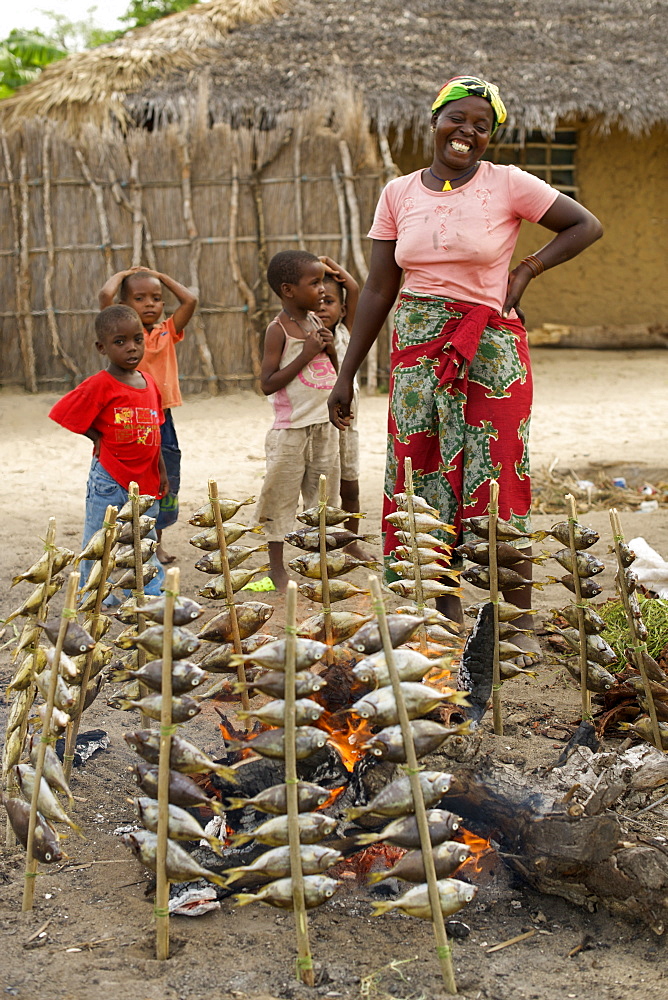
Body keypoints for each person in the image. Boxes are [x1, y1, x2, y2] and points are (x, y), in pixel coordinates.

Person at [328, 75, 603, 658]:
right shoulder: (398, 194)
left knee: (497, 473)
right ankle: (441, 603)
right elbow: (379, 287)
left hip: (491, 347)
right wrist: (347, 373)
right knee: (419, 469)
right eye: (458, 118)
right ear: (434, 121)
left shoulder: (509, 184)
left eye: (482, 126)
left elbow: (585, 225)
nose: (468, 132)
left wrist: (526, 269)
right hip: (416, 345)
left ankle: (514, 613)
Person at [49, 305, 169, 597]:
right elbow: (64, 412)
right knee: (100, 540)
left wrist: (162, 472)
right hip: (109, 479)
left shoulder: (149, 383)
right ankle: (92, 596)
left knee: (143, 539)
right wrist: (96, 436)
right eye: (120, 342)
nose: (131, 348)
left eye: (137, 340)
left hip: (146, 480)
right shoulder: (101, 384)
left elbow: (155, 431)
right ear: (102, 347)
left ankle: (148, 593)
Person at [98, 266, 198, 564]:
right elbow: (105, 295)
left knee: (165, 478)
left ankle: (155, 543)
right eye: (140, 298)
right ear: (125, 306)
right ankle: (128, 542)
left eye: (156, 298)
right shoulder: (129, 334)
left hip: (162, 417)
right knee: (133, 478)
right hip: (133, 416)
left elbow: (190, 300)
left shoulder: (167, 330)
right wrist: (124, 273)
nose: (150, 304)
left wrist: (161, 275)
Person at [255, 250, 341, 591]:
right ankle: (276, 566)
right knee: (280, 498)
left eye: (322, 282)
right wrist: (305, 354)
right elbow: (267, 383)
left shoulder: (316, 322)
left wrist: (329, 350)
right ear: (289, 290)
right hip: (291, 431)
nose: (322, 289)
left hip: (323, 426)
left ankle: (316, 559)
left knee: (322, 497)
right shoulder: (278, 330)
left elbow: (333, 370)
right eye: (314, 283)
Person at [315, 258, 367, 556]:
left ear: (343, 310)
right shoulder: (305, 336)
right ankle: (319, 544)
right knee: (321, 489)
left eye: (330, 301)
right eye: (317, 301)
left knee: (351, 487)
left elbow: (355, 287)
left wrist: (327, 266)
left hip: (348, 427)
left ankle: (350, 542)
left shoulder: (347, 332)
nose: (322, 307)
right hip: (318, 427)